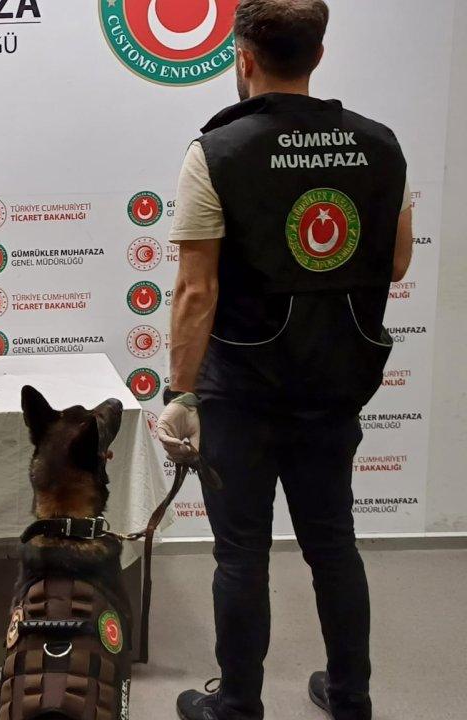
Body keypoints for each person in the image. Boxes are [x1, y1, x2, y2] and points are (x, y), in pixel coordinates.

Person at [157, 1, 413, 719]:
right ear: (318, 55)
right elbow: (395, 263)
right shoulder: (383, 145)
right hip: (335, 382)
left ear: (243, 58)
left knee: (241, 552)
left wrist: (181, 395)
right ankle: (351, 698)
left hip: (241, 389)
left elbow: (196, 290)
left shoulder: (216, 151)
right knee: (333, 545)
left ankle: (238, 705)